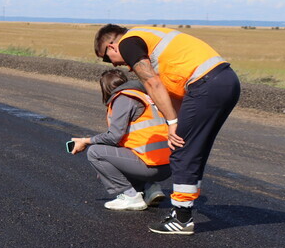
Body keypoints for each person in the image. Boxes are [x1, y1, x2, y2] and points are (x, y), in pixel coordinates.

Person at [94, 24, 241, 235]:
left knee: (182, 149)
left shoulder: (128, 42)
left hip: (206, 84)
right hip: (225, 82)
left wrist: (173, 124)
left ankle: (182, 218)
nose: (118, 64)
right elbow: (177, 96)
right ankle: (183, 211)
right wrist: (176, 123)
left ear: (111, 46)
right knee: (191, 147)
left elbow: (151, 82)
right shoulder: (150, 40)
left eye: (106, 58)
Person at [69, 70, 171, 211]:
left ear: (105, 88)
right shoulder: (145, 97)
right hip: (167, 165)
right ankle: (150, 188)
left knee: (95, 153)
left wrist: (86, 141)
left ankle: (131, 197)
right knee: (110, 160)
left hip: (150, 166)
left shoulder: (124, 98)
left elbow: (114, 136)